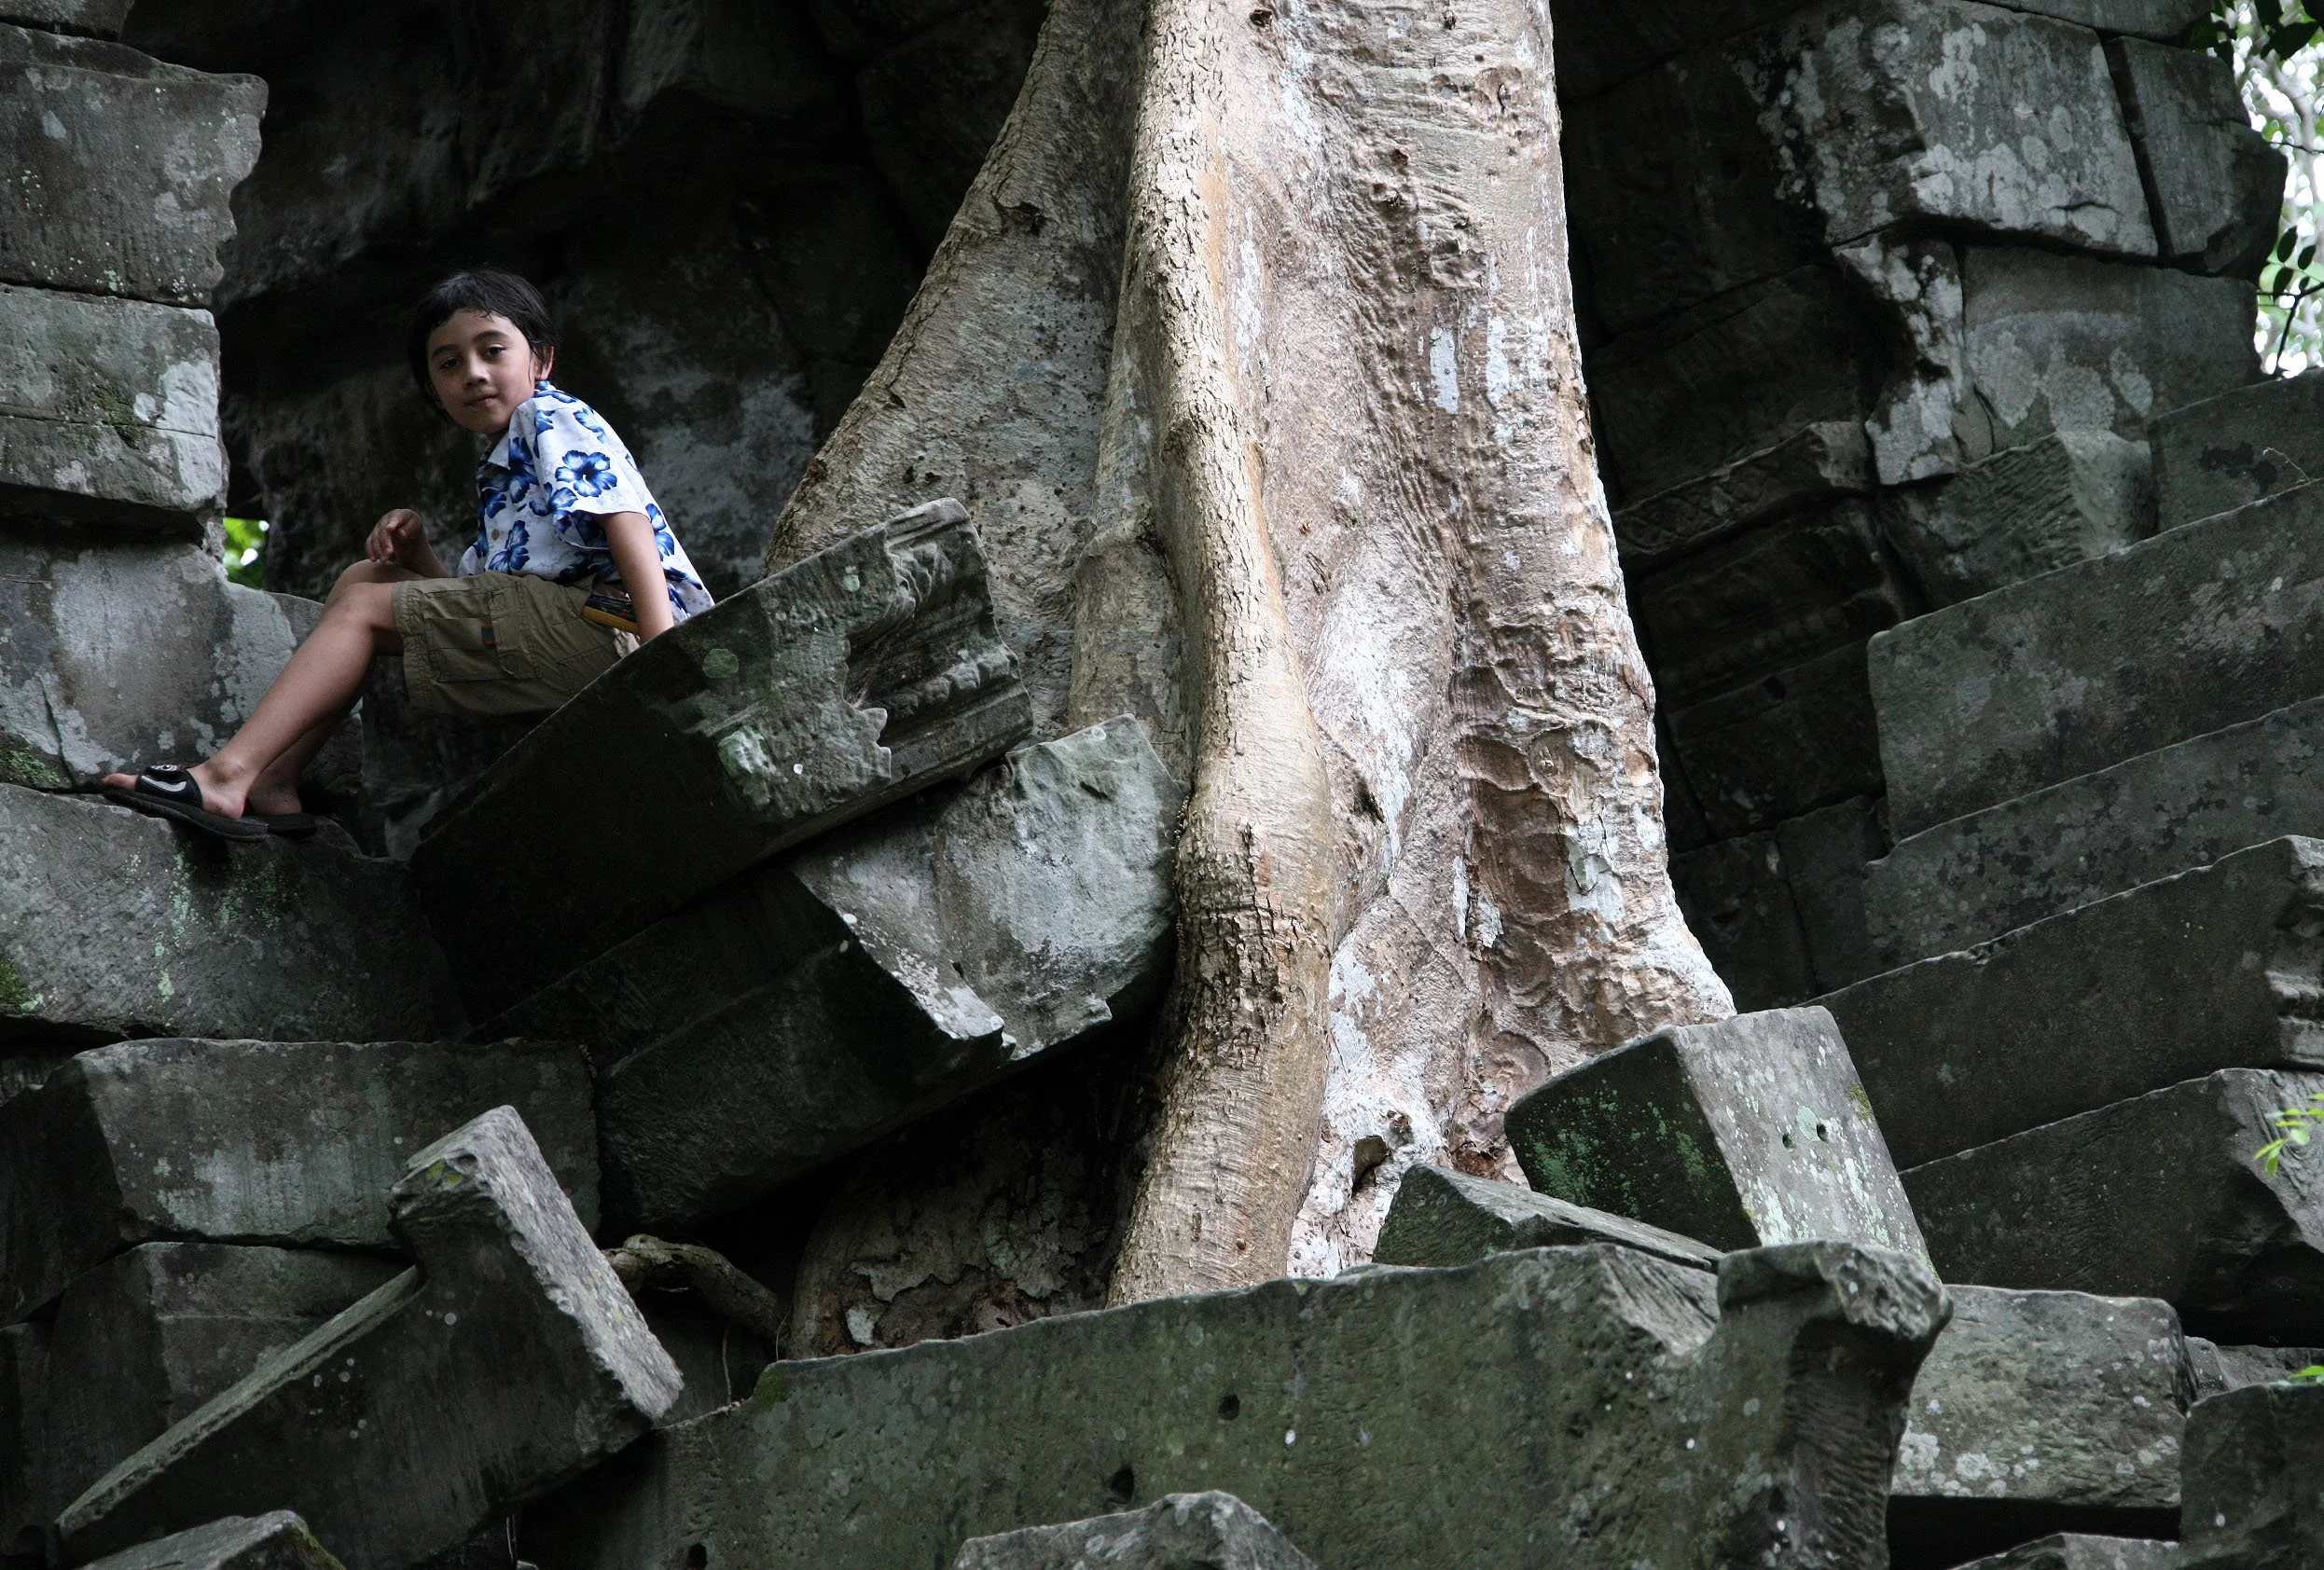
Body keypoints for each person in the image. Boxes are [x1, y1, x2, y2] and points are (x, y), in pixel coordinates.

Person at [102, 269, 713, 841]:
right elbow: (469, 609)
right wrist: (418, 553)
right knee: (369, 578)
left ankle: (226, 777)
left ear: (542, 359)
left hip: (619, 629)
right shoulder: (504, 469)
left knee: (366, 607)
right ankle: (275, 777)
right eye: (449, 364)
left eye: (492, 350)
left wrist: (661, 651)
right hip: (574, 626)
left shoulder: (549, 414)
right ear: (433, 391)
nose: (473, 372)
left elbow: (622, 517)